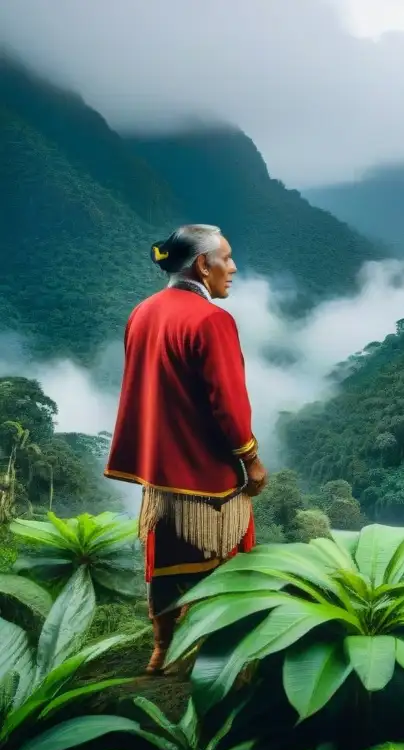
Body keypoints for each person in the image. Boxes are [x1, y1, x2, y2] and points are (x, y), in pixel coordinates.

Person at [105, 224, 268, 674]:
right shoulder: (212, 320)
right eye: (227, 259)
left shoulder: (142, 312)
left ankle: (161, 650)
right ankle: (224, 654)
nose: (233, 268)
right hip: (208, 476)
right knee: (225, 562)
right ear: (202, 264)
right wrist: (251, 460)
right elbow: (228, 405)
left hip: (159, 474)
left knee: (166, 563)